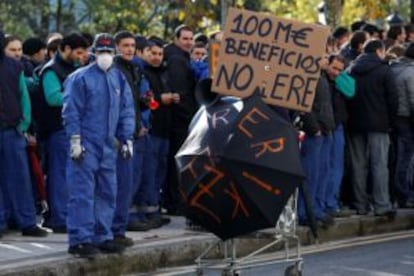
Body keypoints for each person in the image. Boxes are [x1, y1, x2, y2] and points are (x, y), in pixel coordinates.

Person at [63, 33, 135, 259]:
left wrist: (127, 138)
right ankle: (79, 240)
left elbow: (126, 110)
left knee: (107, 191)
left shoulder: (118, 78)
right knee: (82, 193)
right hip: (86, 144)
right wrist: (75, 139)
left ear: (114, 53)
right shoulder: (79, 78)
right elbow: (71, 110)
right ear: (94, 53)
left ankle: (101, 236)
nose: (106, 55)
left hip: (107, 145)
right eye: (101, 51)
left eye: (109, 52)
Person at [38, 33, 89, 233]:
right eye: (78, 52)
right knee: (59, 176)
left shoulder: (77, 69)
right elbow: (53, 98)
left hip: (74, 129)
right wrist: (79, 98)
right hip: (58, 130)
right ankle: (59, 218)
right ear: (65, 49)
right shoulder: (51, 71)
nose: (82, 56)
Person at [0, 30, 48, 237]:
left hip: (12, 130)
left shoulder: (14, 66)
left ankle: (27, 222)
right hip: (11, 129)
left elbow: (23, 97)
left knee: (20, 178)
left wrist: (23, 125)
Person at [346, 40, 396, 217]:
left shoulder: (351, 70)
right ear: (378, 51)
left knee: (359, 165)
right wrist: (392, 122)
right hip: (379, 123)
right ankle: (382, 204)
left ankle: (361, 205)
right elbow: (393, 99)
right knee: (379, 165)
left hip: (355, 124)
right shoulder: (384, 70)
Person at [163, 24, 197, 214]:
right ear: (176, 39)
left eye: (191, 39)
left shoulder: (180, 57)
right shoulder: (177, 59)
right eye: (185, 39)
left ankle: (174, 201)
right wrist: (189, 119)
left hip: (178, 120)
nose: (189, 42)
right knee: (177, 165)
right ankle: (175, 203)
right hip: (179, 122)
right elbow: (180, 94)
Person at [386, 43, 414, 208]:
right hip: (408, 119)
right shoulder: (410, 72)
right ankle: (405, 193)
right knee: (406, 158)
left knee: (398, 157)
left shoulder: (394, 68)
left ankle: (398, 193)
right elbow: (413, 100)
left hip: (395, 118)